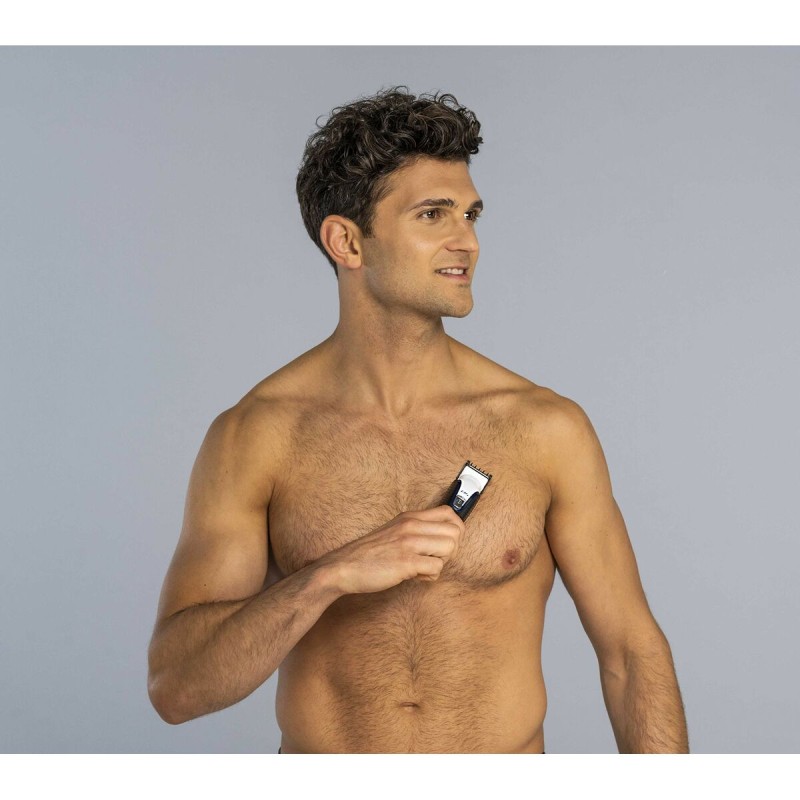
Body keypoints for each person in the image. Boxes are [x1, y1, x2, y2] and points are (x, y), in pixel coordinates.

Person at [147, 87, 689, 754]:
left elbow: (631, 654)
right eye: (433, 215)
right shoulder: (257, 437)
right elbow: (177, 689)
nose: (468, 241)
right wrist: (329, 576)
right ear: (347, 241)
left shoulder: (543, 429)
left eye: (471, 215)